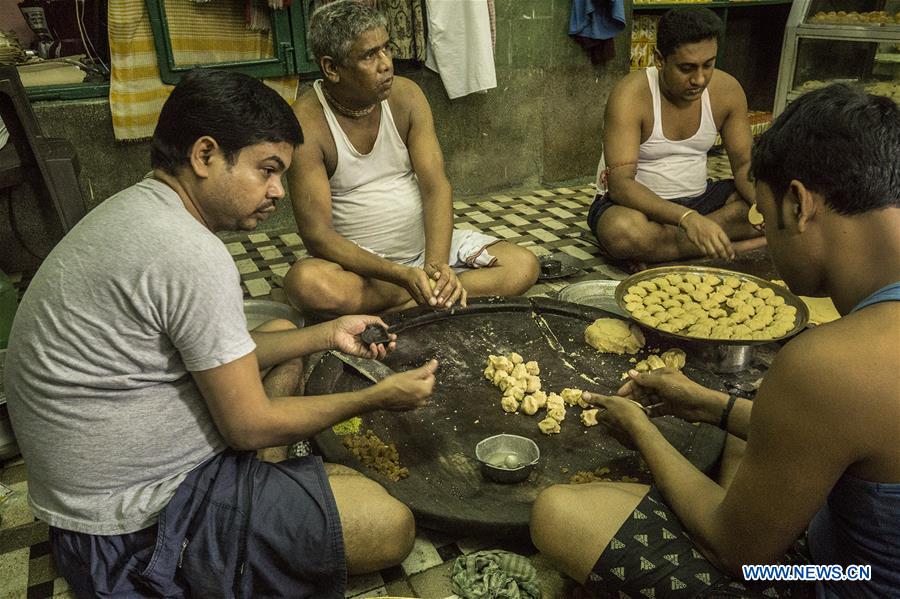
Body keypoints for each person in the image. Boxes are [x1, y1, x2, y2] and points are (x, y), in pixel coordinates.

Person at [4, 69, 439, 598]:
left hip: (92, 494)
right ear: (205, 155)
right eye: (267, 171)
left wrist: (328, 333)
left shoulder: (139, 210)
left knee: (282, 330)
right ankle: (229, 535)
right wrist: (377, 396)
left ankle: (258, 496)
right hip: (131, 528)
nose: (279, 191)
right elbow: (249, 429)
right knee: (388, 523)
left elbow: (226, 352)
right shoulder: (190, 254)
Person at [532, 84, 900, 598]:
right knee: (745, 426)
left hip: (836, 578)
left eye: (765, 220)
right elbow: (844, 431)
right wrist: (713, 406)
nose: (765, 238)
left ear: (798, 204)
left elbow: (740, 553)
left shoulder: (832, 363)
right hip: (862, 558)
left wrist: (643, 431)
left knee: (560, 512)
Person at [283, 0, 539, 315]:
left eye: (386, 49)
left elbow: (436, 186)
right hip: (366, 274)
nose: (386, 63)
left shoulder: (407, 97)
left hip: (424, 255)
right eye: (368, 55)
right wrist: (400, 275)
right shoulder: (307, 122)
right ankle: (426, 298)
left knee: (523, 265)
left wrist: (436, 265)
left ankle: (411, 302)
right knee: (307, 285)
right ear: (331, 68)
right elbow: (317, 235)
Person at [589, 7, 764, 264]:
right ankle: (731, 245)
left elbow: (745, 165)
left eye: (709, 65)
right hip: (639, 208)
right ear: (659, 59)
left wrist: (763, 209)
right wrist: (686, 219)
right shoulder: (631, 95)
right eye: (687, 68)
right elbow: (621, 185)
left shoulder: (727, 91)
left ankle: (666, 249)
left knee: (770, 204)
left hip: (703, 199)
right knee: (623, 231)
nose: (700, 79)